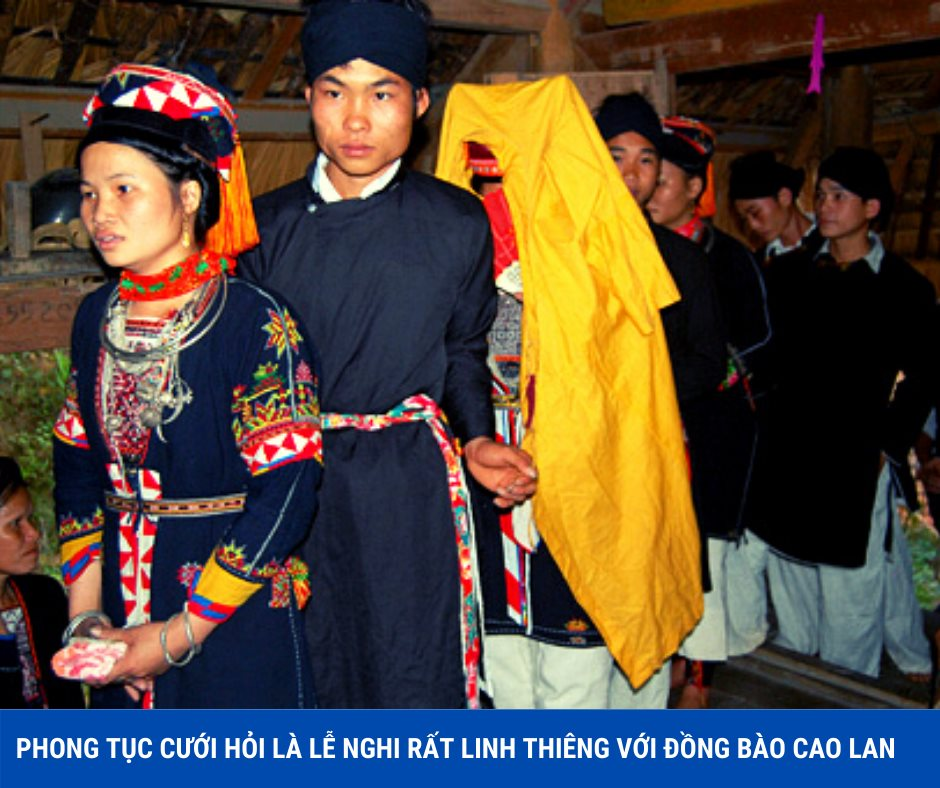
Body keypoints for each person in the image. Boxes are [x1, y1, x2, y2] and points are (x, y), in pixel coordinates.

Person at [239, 0, 537, 709]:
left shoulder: (456, 221)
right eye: (334, 92)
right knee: (311, 667)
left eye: (382, 94)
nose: (356, 119)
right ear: (308, 97)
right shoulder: (262, 229)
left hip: (410, 485)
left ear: (419, 103)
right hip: (294, 483)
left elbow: (462, 349)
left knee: (411, 667)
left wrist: (476, 439)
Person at [53, 63, 323, 708]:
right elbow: (76, 466)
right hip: (117, 613)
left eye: (124, 189)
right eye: (89, 193)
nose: (100, 213)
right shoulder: (95, 317)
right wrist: (87, 622)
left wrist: (177, 635)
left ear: (191, 196)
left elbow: (287, 494)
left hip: (229, 614)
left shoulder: (254, 321)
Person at [436, 77, 702, 708]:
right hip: (479, 468)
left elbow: (622, 385)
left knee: (573, 663)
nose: (495, 199)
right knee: (500, 657)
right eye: (482, 182)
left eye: (508, 178)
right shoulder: (449, 248)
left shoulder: (600, 253)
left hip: (578, 472)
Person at [748, 146, 937, 679]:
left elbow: (923, 377)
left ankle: (848, 698)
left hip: (853, 458)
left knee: (851, 588)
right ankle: (797, 685)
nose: (825, 207)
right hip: (789, 450)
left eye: (839, 196)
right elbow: (766, 360)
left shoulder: (904, 288)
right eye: (823, 195)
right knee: (789, 569)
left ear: (871, 208)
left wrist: (886, 444)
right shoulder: (790, 276)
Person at [647, 115, 773, 706]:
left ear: (695, 187)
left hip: (713, 426)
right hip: (656, 424)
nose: (649, 189)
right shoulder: (633, 251)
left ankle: (700, 677)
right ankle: (670, 659)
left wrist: (700, 371)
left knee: (707, 554)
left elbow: (760, 341)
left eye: (661, 177)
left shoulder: (727, 259)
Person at [0, 457, 85, 708]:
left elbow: (70, 698)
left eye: (31, 519)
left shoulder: (44, 596)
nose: (33, 533)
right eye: (15, 524)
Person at [729, 150, 820, 265]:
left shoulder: (830, 244)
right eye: (745, 219)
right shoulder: (759, 264)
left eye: (755, 213)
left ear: (784, 197)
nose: (752, 226)